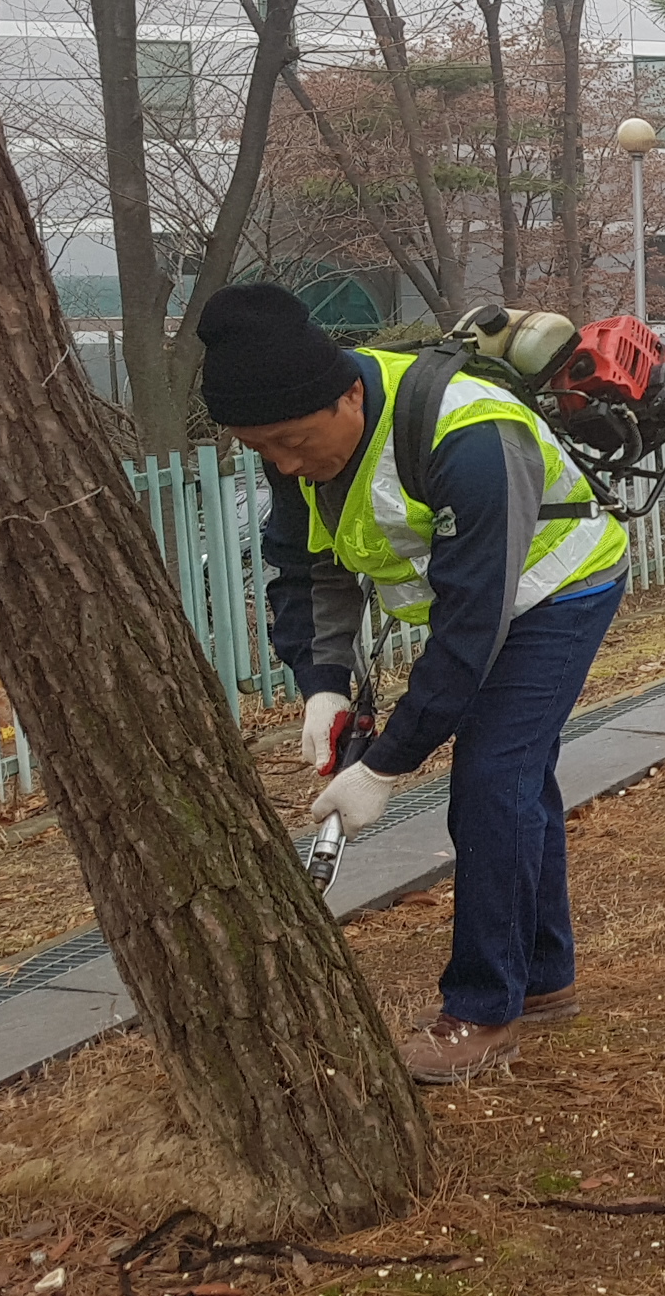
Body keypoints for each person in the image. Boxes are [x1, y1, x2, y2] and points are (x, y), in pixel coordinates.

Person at [203, 283, 629, 1084]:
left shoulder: (469, 429)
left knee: (492, 778)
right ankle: (545, 978)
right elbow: (305, 568)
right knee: (517, 778)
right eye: (265, 451)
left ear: (349, 393)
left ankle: (483, 1009)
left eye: (294, 441)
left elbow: (471, 632)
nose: (287, 465)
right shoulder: (301, 445)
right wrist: (322, 683)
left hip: (560, 590)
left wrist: (386, 765)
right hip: (477, 603)